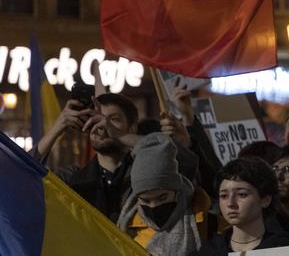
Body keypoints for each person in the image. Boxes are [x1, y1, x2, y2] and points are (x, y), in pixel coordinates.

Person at [35, 93, 140, 221]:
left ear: (132, 128)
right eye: (95, 119)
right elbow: (20, 175)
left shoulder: (148, 173)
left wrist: (118, 135)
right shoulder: (70, 180)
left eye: (113, 119)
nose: (102, 125)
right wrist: (58, 127)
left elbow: (164, 148)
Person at [117, 133, 209, 255]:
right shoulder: (125, 228)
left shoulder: (207, 222)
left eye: (162, 198)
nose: (154, 206)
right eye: (145, 201)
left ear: (176, 189)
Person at [194, 157, 289, 255]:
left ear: (265, 200)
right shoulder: (209, 251)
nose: (230, 203)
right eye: (224, 196)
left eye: (242, 194)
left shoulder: (286, 248)